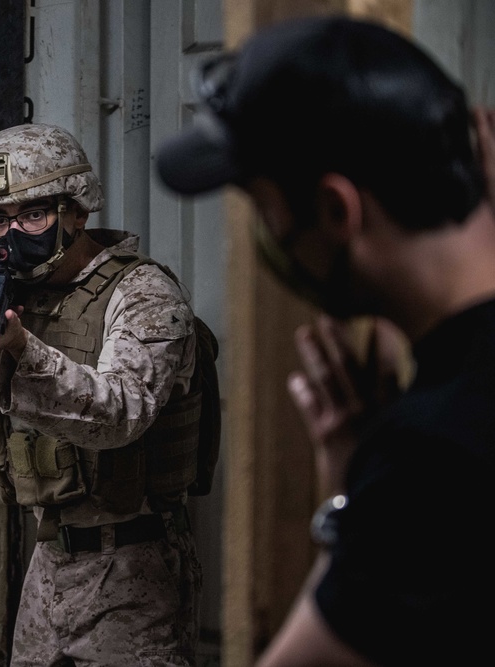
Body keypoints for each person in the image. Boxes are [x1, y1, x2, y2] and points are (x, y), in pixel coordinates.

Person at [155, 16, 495, 666]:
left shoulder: (432, 456)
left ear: (337, 210)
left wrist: (347, 505)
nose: (266, 236)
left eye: (265, 207)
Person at [0, 123, 205, 666]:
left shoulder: (141, 291)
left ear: (76, 211)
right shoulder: (0, 290)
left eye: (33, 215)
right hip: (47, 565)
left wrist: (24, 348)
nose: (13, 233)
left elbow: (122, 413)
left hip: (133, 569)